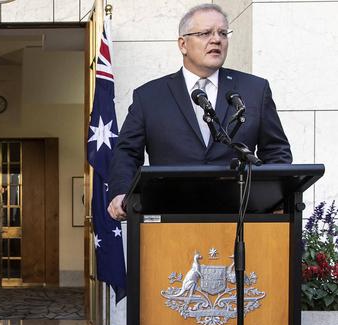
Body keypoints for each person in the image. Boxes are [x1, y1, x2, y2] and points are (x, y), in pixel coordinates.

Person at [107, 3, 292, 221]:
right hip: (169, 222)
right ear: (183, 44)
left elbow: (276, 151)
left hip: (240, 219)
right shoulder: (148, 96)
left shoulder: (254, 90)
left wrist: (276, 198)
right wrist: (123, 192)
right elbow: (127, 152)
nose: (216, 39)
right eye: (205, 33)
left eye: (223, 33)